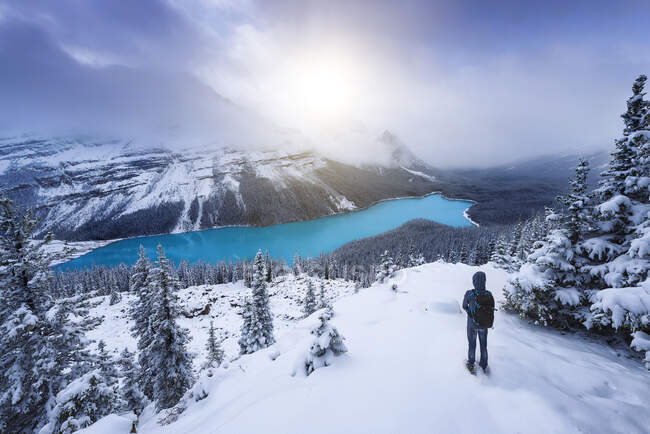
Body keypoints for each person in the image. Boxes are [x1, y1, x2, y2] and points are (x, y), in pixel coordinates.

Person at [462, 271, 495, 374]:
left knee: (472, 344)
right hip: (484, 324)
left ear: (474, 281)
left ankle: (471, 364)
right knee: (483, 345)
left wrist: (469, 313)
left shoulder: (469, 293)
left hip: (472, 324)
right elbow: (492, 308)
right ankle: (484, 364)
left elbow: (464, 306)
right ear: (484, 281)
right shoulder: (489, 294)